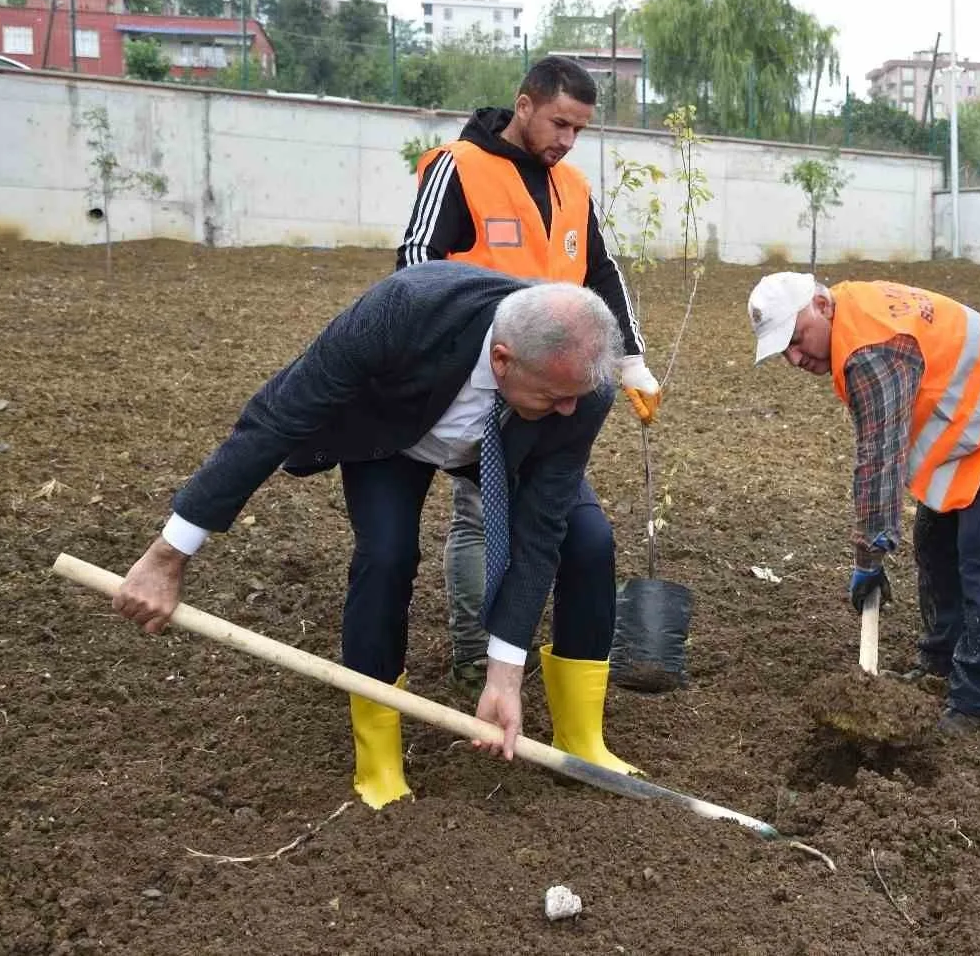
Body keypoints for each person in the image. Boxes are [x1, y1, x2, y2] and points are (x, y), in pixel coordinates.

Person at [109, 261, 641, 811]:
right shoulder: (405, 310)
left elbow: (540, 531)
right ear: (503, 359)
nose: (570, 411)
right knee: (386, 556)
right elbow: (275, 420)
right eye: (556, 397)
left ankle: (581, 740)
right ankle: (379, 756)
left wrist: (504, 675)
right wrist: (168, 555)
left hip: (505, 446)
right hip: (392, 438)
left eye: (575, 396)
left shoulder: (580, 381)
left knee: (588, 541)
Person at [395, 55, 661, 701]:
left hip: (556, 379)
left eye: (579, 130)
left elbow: (600, 272)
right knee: (480, 509)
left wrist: (629, 359)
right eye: (559, 123)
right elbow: (415, 262)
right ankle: (473, 652)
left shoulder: (571, 186)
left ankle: (507, 649)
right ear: (524, 104)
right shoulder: (460, 167)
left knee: (554, 516)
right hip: (484, 375)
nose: (567, 141)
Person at [748, 272, 980, 733]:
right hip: (976, 430)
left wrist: (869, 554)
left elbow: (880, 459)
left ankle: (979, 703)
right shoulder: (851, 317)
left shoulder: (871, 348)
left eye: (796, 339)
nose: (794, 357)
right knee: (936, 539)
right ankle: (942, 664)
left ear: (822, 306)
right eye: (783, 349)